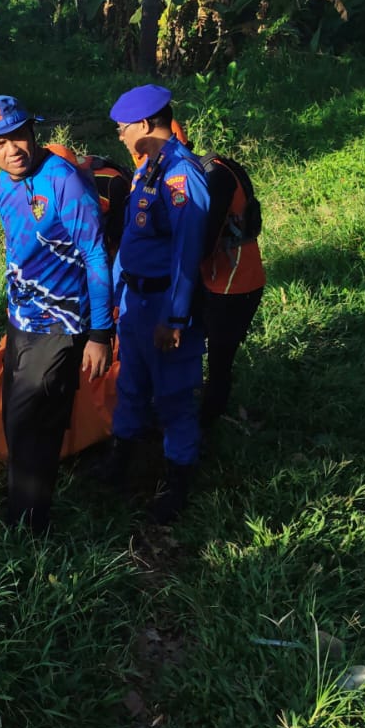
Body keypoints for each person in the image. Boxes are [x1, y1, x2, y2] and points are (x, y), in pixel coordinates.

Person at [0, 94, 115, 534]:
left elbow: (95, 256)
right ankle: (22, 507)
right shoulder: (3, 185)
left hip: (62, 326)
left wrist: (99, 334)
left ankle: (30, 528)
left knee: (36, 424)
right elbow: (18, 247)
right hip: (21, 322)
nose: (11, 149)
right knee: (17, 421)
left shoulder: (63, 181)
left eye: (17, 135)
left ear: (32, 131)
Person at [99, 84, 211, 524]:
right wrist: (112, 296)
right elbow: (130, 241)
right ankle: (120, 464)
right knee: (131, 385)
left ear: (144, 125)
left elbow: (188, 248)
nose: (121, 137)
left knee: (174, 396)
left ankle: (177, 482)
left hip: (165, 302)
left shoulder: (181, 174)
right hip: (134, 303)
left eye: (123, 129)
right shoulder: (147, 169)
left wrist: (177, 315)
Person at [197, 152, 266, 426]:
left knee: (219, 359)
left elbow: (204, 239)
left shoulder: (216, 176)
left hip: (234, 283)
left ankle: (209, 421)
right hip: (223, 279)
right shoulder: (212, 169)